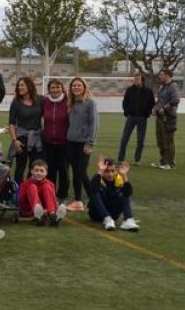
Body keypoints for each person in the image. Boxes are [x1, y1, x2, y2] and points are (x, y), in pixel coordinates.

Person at [64, 77, 98, 211]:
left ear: (84, 87)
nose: (76, 87)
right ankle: (78, 201)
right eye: (74, 86)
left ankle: (95, 199)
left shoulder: (90, 102)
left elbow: (94, 123)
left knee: (81, 172)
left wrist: (90, 143)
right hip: (71, 141)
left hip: (84, 142)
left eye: (79, 85)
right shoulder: (71, 103)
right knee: (75, 172)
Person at [7, 76, 44, 183]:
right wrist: (15, 141)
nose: (19, 87)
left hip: (37, 139)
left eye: (22, 85)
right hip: (21, 138)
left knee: (34, 167)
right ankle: (19, 192)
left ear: (29, 86)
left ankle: (31, 190)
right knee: (20, 167)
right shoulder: (16, 102)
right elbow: (11, 123)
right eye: (18, 85)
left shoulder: (40, 100)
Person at [88, 157, 140, 231]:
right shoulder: (98, 178)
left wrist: (124, 176)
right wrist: (100, 171)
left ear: (116, 171)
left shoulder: (119, 179)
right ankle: (107, 218)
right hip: (96, 214)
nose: (110, 174)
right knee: (95, 193)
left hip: (113, 214)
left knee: (125, 193)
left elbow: (129, 192)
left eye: (112, 171)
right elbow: (92, 189)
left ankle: (128, 220)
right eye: (107, 171)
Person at [118, 72, 155, 164]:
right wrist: (126, 112)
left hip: (142, 118)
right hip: (131, 117)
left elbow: (152, 103)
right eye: (135, 79)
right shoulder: (129, 90)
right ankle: (120, 158)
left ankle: (137, 159)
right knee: (124, 139)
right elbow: (125, 102)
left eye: (137, 79)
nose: (135, 80)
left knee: (140, 140)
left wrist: (148, 113)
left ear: (142, 80)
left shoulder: (148, 91)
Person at [18, 159, 66, 227]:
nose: (39, 173)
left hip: (46, 210)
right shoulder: (25, 184)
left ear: (46, 173)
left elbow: (51, 199)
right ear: (31, 171)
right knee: (32, 187)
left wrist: (47, 209)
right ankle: (39, 214)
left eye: (41, 171)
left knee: (47, 186)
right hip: (29, 209)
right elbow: (21, 201)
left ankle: (52, 216)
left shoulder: (50, 184)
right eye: (36, 170)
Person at [152, 69, 180, 170]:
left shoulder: (173, 86)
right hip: (160, 117)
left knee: (168, 140)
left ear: (168, 75)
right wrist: (155, 109)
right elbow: (159, 101)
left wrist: (164, 108)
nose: (160, 77)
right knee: (160, 141)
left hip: (169, 117)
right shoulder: (161, 87)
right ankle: (163, 161)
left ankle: (170, 163)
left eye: (162, 75)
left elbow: (176, 100)